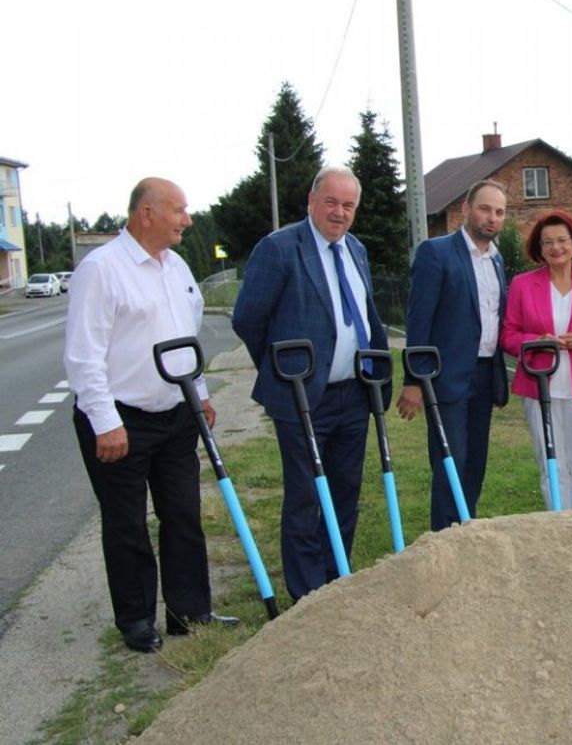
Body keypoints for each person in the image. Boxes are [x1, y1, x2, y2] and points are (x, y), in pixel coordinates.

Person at [64, 177, 237, 653]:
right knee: (127, 524)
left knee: (183, 514)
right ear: (146, 214)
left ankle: (189, 611)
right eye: (179, 210)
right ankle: (136, 620)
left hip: (176, 413)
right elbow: (83, 355)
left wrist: (199, 392)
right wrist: (105, 421)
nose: (188, 219)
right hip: (121, 417)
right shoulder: (102, 269)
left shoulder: (176, 267)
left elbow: (186, 336)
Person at [232, 166, 391, 601]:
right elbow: (248, 319)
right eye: (331, 203)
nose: (339, 213)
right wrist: (281, 371)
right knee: (305, 496)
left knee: (345, 491)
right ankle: (307, 594)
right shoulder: (280, 249)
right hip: (303, 395)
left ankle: (337, 578)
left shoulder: (355, 250)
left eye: (348, 205)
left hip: (353, 393)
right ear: (311, 201)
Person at [397, 180, 510, 531]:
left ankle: (466, 529)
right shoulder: (436, 252)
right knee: (451, 461)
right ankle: (445, 539)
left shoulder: (496, 260)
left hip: (484, 374)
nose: (491, 218)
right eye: (485, 209)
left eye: (499, 212)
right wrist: (414, 381)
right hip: (445, 378)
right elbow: (419, 322)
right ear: (466, 209)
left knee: (475, 461)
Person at [501, 210, 572, 509]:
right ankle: (557, 523)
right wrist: (536, 342)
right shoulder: (523, 285)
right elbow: (509, 336)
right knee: (551, 459)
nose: (556, 248)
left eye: (562, 240)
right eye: (547, 242)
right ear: (539, 249)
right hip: (538, 386)